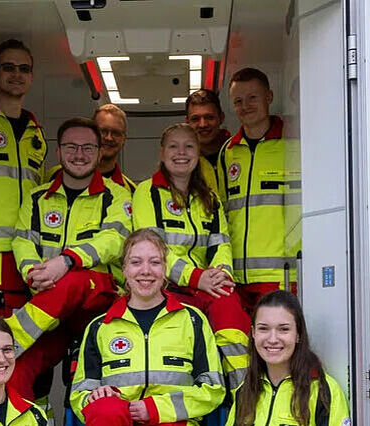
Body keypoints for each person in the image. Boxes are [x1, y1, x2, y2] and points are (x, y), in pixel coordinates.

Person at [3, 117, 134, 400]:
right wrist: (33, 274)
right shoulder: (37, 198)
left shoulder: (117, 196)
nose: (79, 154)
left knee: (74, 280)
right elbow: (23, 241)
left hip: (99, 304)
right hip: (49, 307)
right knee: (16, 374)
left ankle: (4, 343)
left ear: (99, 152)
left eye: (87, 147)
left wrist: (66, 261)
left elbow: (115, 239)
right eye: (71, 147)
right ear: (58, 151)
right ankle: (22, 407)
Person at [132, 123, 251, 389]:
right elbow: (153, 249)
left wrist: (221, 274)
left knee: (229, 307)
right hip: (166, 287)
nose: (181, 153)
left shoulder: (210, 198)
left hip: (207, 285)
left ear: (198, 153)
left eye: (189, 146)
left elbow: (221, 244)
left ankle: (245, 392)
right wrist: (196, 277)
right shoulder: (146, 192)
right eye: (173, 146)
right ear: (162, 153)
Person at [71, 229, 226, 426]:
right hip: (119, 422)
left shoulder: (192, 320)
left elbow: (213, 389)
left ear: (165, 268)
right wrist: (94, 397)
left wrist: (155, 409)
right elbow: (80, 394)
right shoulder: (100, 326)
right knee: (106, 409)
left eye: (155, 262)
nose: (146, 271)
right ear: (124, 269)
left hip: (174, 422)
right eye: (136, 262)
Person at [216, 68, 301, 311]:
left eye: (252, 97)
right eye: (238, 101)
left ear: (269, 97)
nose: (245, 106)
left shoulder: (296, 143)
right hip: (237, 279)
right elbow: (224, 213)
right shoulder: (228, 152)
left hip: (284, 275)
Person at [0, 39, 48, 317]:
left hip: (31, 249)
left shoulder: (37, 134)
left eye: (24, 69)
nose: (16, 74)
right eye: (8, 67)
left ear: (31, 77)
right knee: (0, 323)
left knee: (30, 325)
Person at [228, 290, 350, 426]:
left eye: (283, 329)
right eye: (263, 329)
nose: (272, 339)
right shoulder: (245, 390)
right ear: (253, 333)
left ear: (298, 334)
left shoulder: (322, 391)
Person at [185, 89, 232, 188]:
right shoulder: (182, 162)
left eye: (209, 117)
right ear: (187, 122)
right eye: (195, 119)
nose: (203, 124)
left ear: (221, 118)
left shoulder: (240, 153)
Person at [93, 104, 138, 191]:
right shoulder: (65, 179)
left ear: (124, 139)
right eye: (103, 131)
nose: (109, 138)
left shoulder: (131, 191)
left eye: (116, 133)